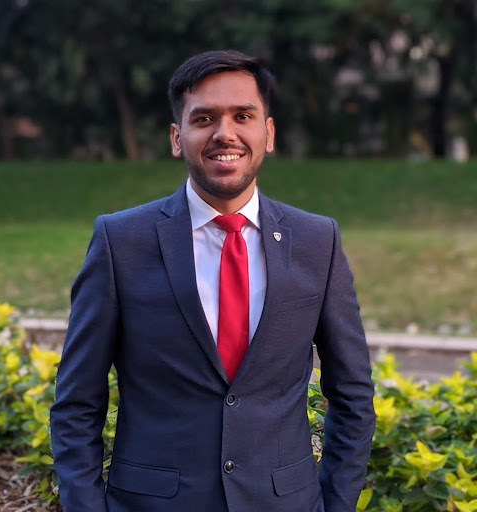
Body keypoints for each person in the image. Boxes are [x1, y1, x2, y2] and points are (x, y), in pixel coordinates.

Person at [50, 50, 375, 512]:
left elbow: (352, 395)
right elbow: (76, 404)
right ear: (176, 137)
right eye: (204, 118)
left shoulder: (317, 241)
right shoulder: (120, 241)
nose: (225, 133)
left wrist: (335, 505)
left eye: (243, 116)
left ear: (268, 133)